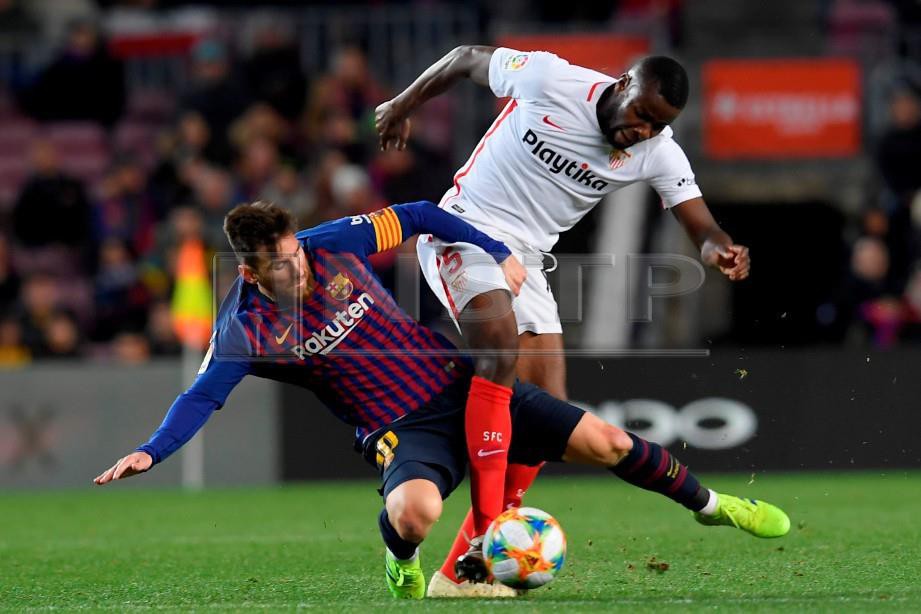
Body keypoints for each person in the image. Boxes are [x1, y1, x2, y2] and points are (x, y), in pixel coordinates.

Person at [93, 202, 789, 600]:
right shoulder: (244, 328)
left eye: (297, 255)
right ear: (249, 270)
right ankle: (402, 562)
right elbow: (200, 398)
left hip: (463, 387)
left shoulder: (331, 244)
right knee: (416, 511)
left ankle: (712, 507)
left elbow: (424, 214)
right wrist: (151, 451)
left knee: (606, 442)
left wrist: (494, 248)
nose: (297, 267)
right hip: (399, 429)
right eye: (281, 264)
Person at [375, 46, 752, 592]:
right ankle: (487, 534)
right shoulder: (550, 79)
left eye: (658, 125)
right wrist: (403, 103)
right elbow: (462, 59)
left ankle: (462, 574)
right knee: (500, 350)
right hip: (463, 226)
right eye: (641, 114)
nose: (643, 131)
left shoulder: (658, 152)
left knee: (548, 414)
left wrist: (720, 249)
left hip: (526, 261)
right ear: (622, 84)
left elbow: (702, 225)